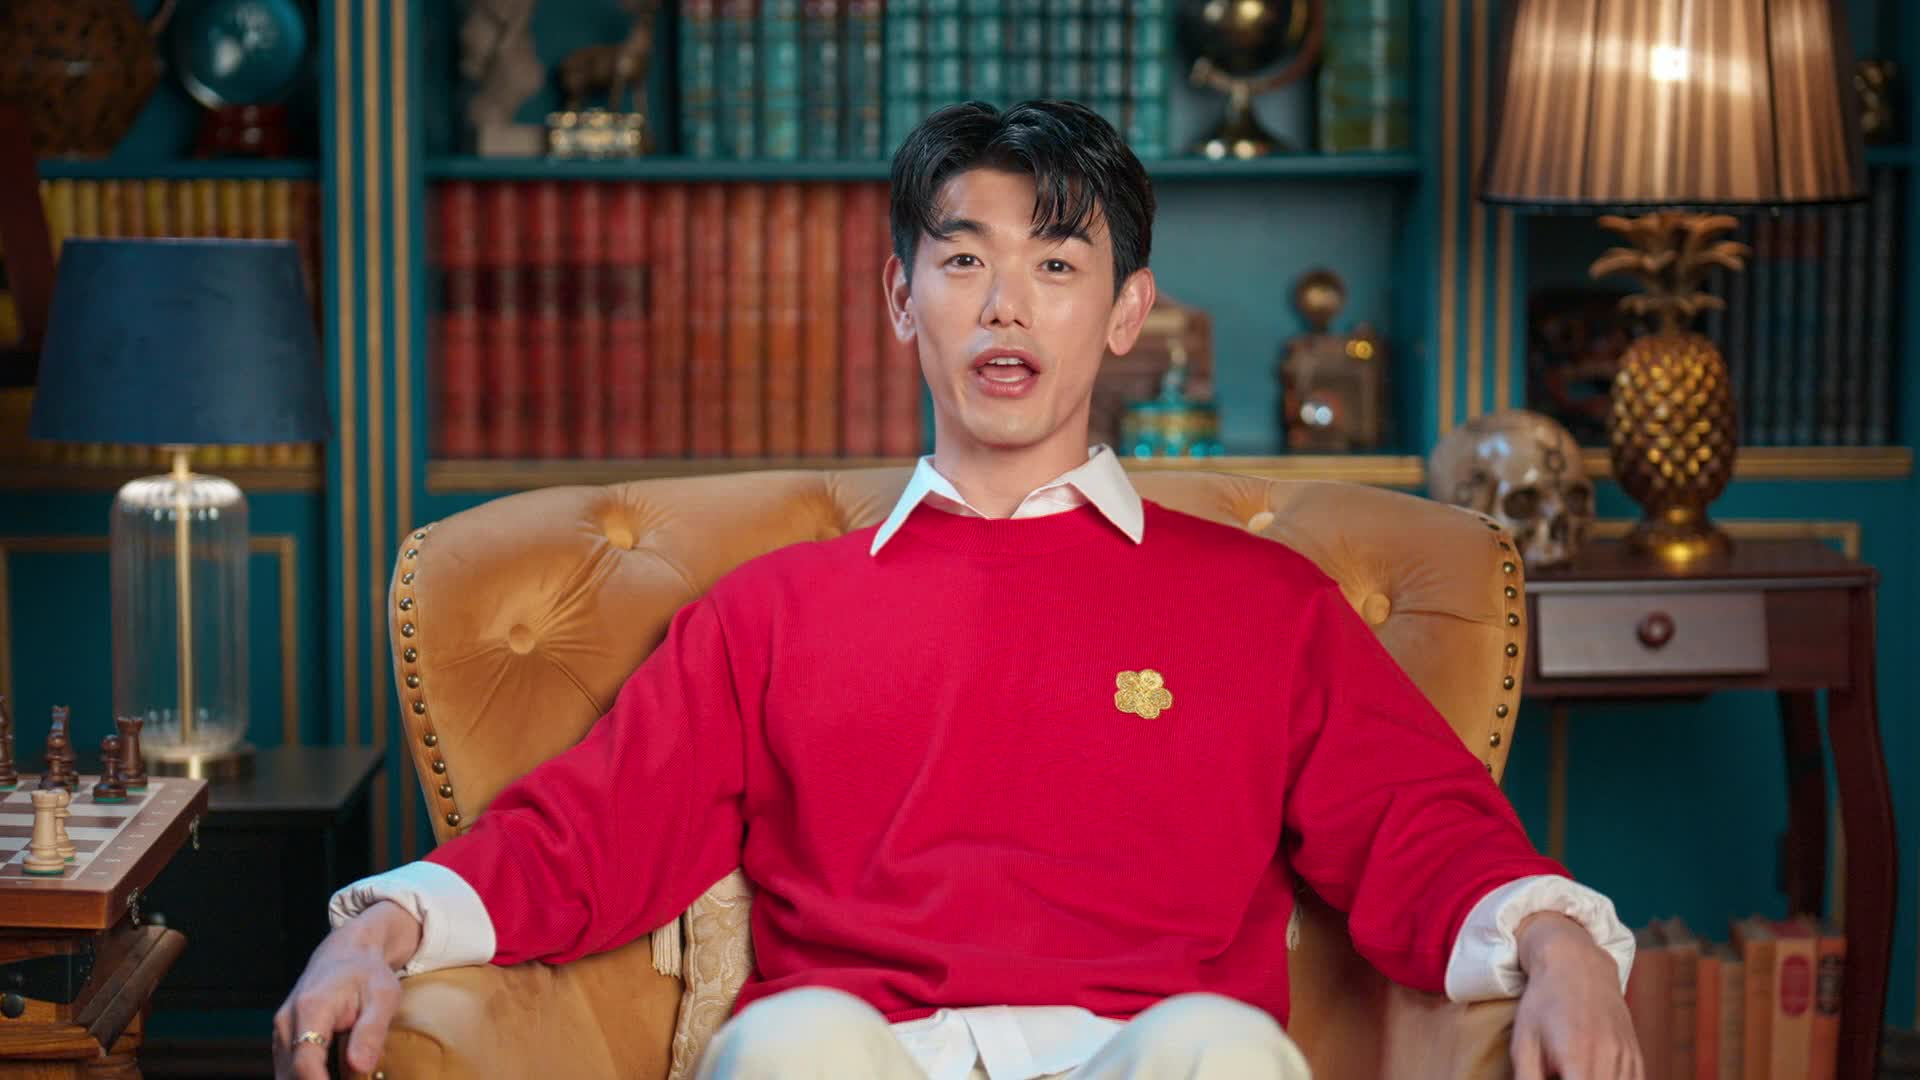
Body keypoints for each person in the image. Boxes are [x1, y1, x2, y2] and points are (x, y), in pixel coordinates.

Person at [275, 100, 1641, 1080]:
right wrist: (376, 929)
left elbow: (1419, 824)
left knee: (1222, 1049)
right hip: (865, 1053)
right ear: (902, 296)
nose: (1005, 305)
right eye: (965, 257)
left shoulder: (1263, 604)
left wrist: (1563, 945)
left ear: (1125, 312)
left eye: (1057, 264)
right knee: (790, 1045)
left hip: (1153, 1051)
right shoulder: (771, 613)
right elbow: (585, 835)